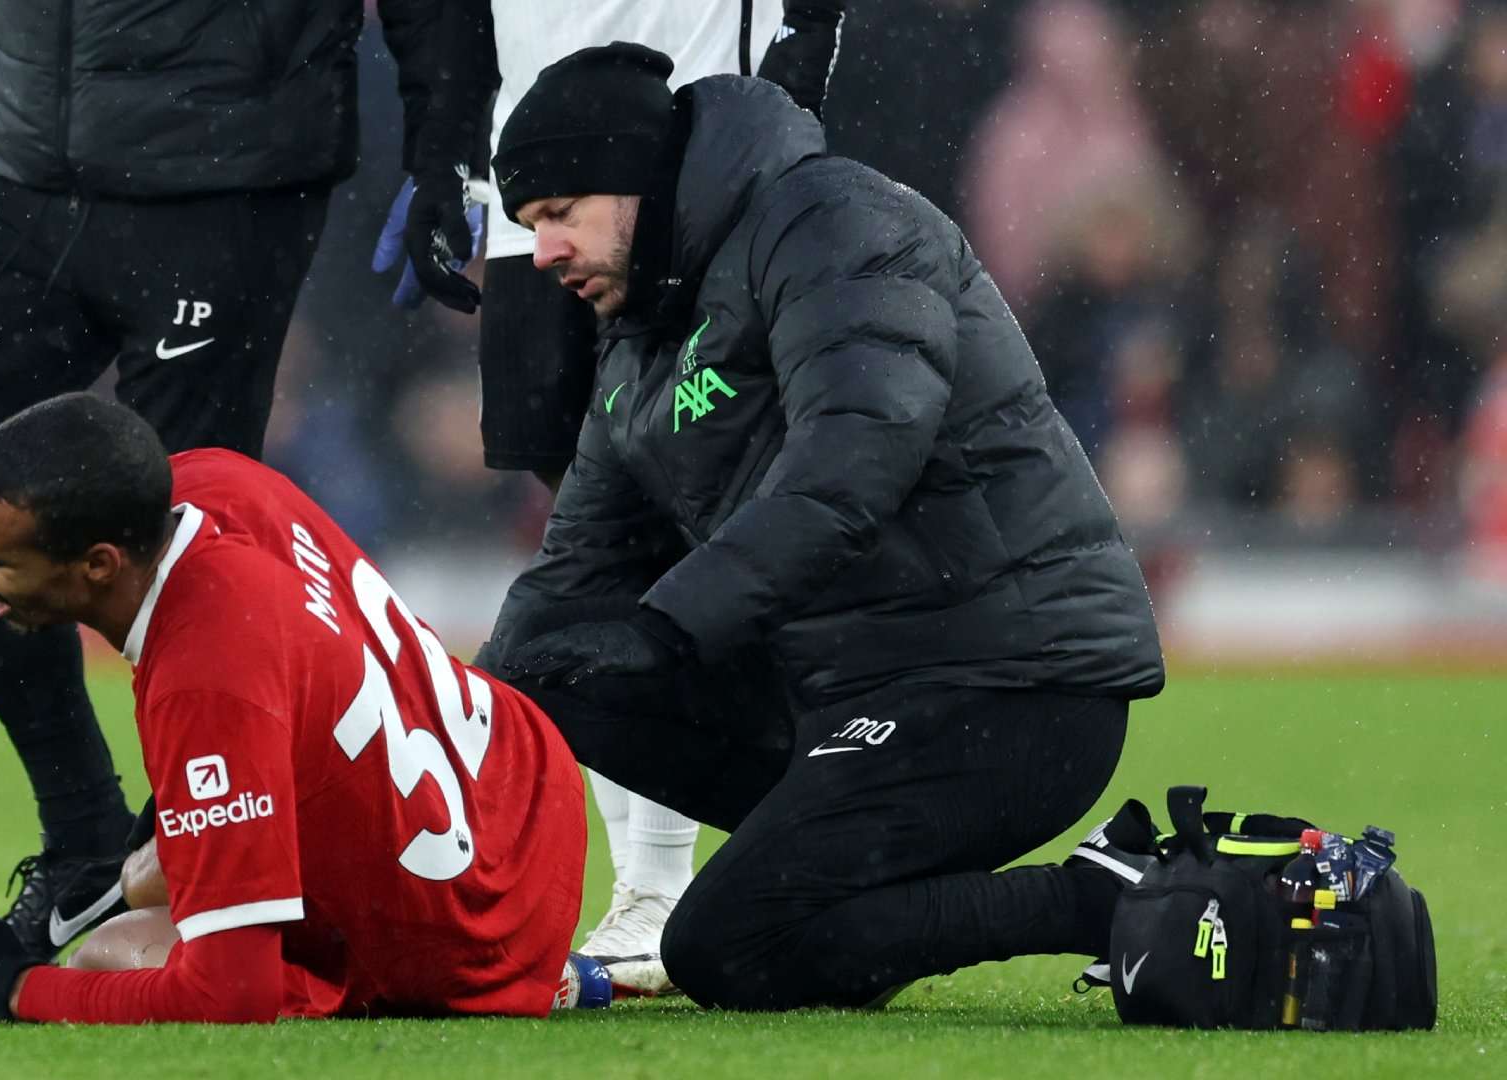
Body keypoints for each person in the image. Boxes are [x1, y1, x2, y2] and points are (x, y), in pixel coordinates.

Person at [477, 43, 1167, 1010]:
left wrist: (667, 628)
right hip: (854, 694)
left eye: (558, 214)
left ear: (634, 179)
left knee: (726, 948)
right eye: (528, 225)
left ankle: (1096, 898)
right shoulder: (643, 329)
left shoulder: (836, 221)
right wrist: (444, 729)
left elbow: (850, 466)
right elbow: (569, 576)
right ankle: (830, 893)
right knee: (544, 668)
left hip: (1010, 685)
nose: (542, 252)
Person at [0, 0, 477, 958]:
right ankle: (89, 839)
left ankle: (190, 858)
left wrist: (448, 152)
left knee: (191, 541)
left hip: (225, 172)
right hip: (25, 162)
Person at [369, 0, 847, 997]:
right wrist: (447, 157)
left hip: (688, 169)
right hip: (531, 195)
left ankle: (678, 879)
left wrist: (799, 70)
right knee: (590, 521)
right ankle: (673, 879)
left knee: (676, 509)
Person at [0, 393, 592, 1023]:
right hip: (522, 784)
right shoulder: (217, 480)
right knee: (151, 872)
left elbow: (232, 992)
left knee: (108, 948)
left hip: (473, 937)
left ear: (98, 564)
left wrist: (12, 988)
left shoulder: (204, 677)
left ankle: (530, 973)